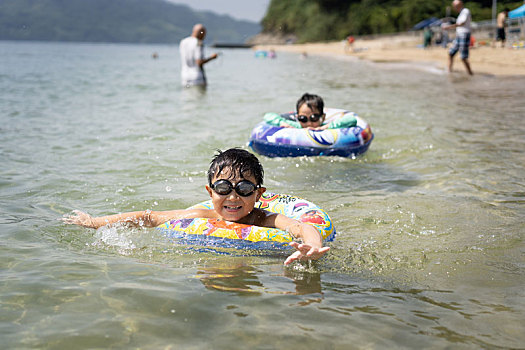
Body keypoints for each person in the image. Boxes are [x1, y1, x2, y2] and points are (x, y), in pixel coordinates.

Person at [62, 148, 330, 265]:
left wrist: (313, 248)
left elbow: (300, 226)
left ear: (259, 194)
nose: (233, 197)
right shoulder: (201, 215)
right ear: (210, 192)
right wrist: (94, 222)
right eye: (223, 188)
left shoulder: (265, 220)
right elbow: (149, 217)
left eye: (245, 189)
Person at [263, 93, 357, 130]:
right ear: (297, 117)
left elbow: (351, 120)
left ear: (322, 117)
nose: (308, 123)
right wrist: (282, 123)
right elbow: (268, 116)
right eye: (303, 118)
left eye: (314, 118)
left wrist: (326, 127)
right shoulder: (296, 126)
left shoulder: (325, 127)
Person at [443, 0, 473, 75]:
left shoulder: (465, 11)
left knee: (463, 57)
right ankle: (449, 72)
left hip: (464, 35)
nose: (454, 8)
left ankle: (470, 74)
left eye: (455, 6)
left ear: (459, 5)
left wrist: (449, 27)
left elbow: (461, 23)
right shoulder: (461, 14)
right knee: (451, 53)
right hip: (459, 36)